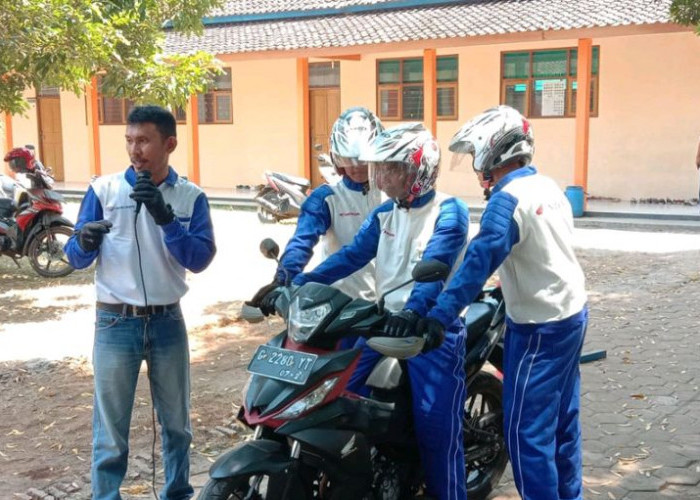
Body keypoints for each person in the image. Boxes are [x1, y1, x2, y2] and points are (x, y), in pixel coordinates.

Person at [414, 105, 588, 500]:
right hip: (572, 313)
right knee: (563, 421)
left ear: (494, 154)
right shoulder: (548, 186)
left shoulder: (506, 200)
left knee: (526, 431)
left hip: (538, 328)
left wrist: (439, 315)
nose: (476, 170)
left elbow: (479, 260)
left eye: (476, 156)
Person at [293, 122, 470, 500]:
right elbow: (353, 256)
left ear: (417, 171)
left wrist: (414, 312)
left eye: (390, 168)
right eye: (381, 168)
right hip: (382, 323)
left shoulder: (449, 212)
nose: (381, 176)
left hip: (429, 331)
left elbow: (434, 270)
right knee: (339, 398)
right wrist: (300, 283)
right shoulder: (385, 213)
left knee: (437, 432)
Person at [64, 105, 216, 500]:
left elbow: (199, 259)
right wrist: (84, 241)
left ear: (169, 144)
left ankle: (176, 493)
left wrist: (166, 218)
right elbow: (74, 256)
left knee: (178, 426)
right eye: (130, 140)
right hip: (116, 323)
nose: (135, 150)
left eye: (144, 140)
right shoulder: (105, 190)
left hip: (167, 322)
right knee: (110, 433)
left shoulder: (190, 197)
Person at [250, 107, 384, 317]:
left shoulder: (394, 195)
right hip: (341, 305)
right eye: (348, 159)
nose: (357, 166)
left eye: (364, 159)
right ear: (337, 158)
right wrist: (282, 280)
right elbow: (301, 241)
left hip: (391, 306)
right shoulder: (326, 198)